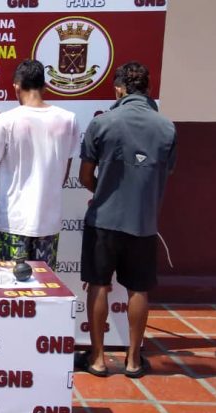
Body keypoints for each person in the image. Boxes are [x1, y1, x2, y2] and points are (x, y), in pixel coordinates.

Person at [76, 62, 177, 378]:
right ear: (148, 90)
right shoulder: (167, 128)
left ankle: (97, 359)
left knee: (98, 285)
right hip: (143, 223)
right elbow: (164, 173)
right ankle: (133, 360)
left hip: (104, 220)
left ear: (119, 89)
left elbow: (84, 176)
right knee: (138, 289)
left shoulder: (102, 123)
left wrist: (104, 191)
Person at [0, 59, 80, 268]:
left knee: (10, 284)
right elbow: (64, 174)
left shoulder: (4, 120)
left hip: (14, 221)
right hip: (49, 221)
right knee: (45, 284)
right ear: (45, 87)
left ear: (16, 87)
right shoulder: (69, 120)